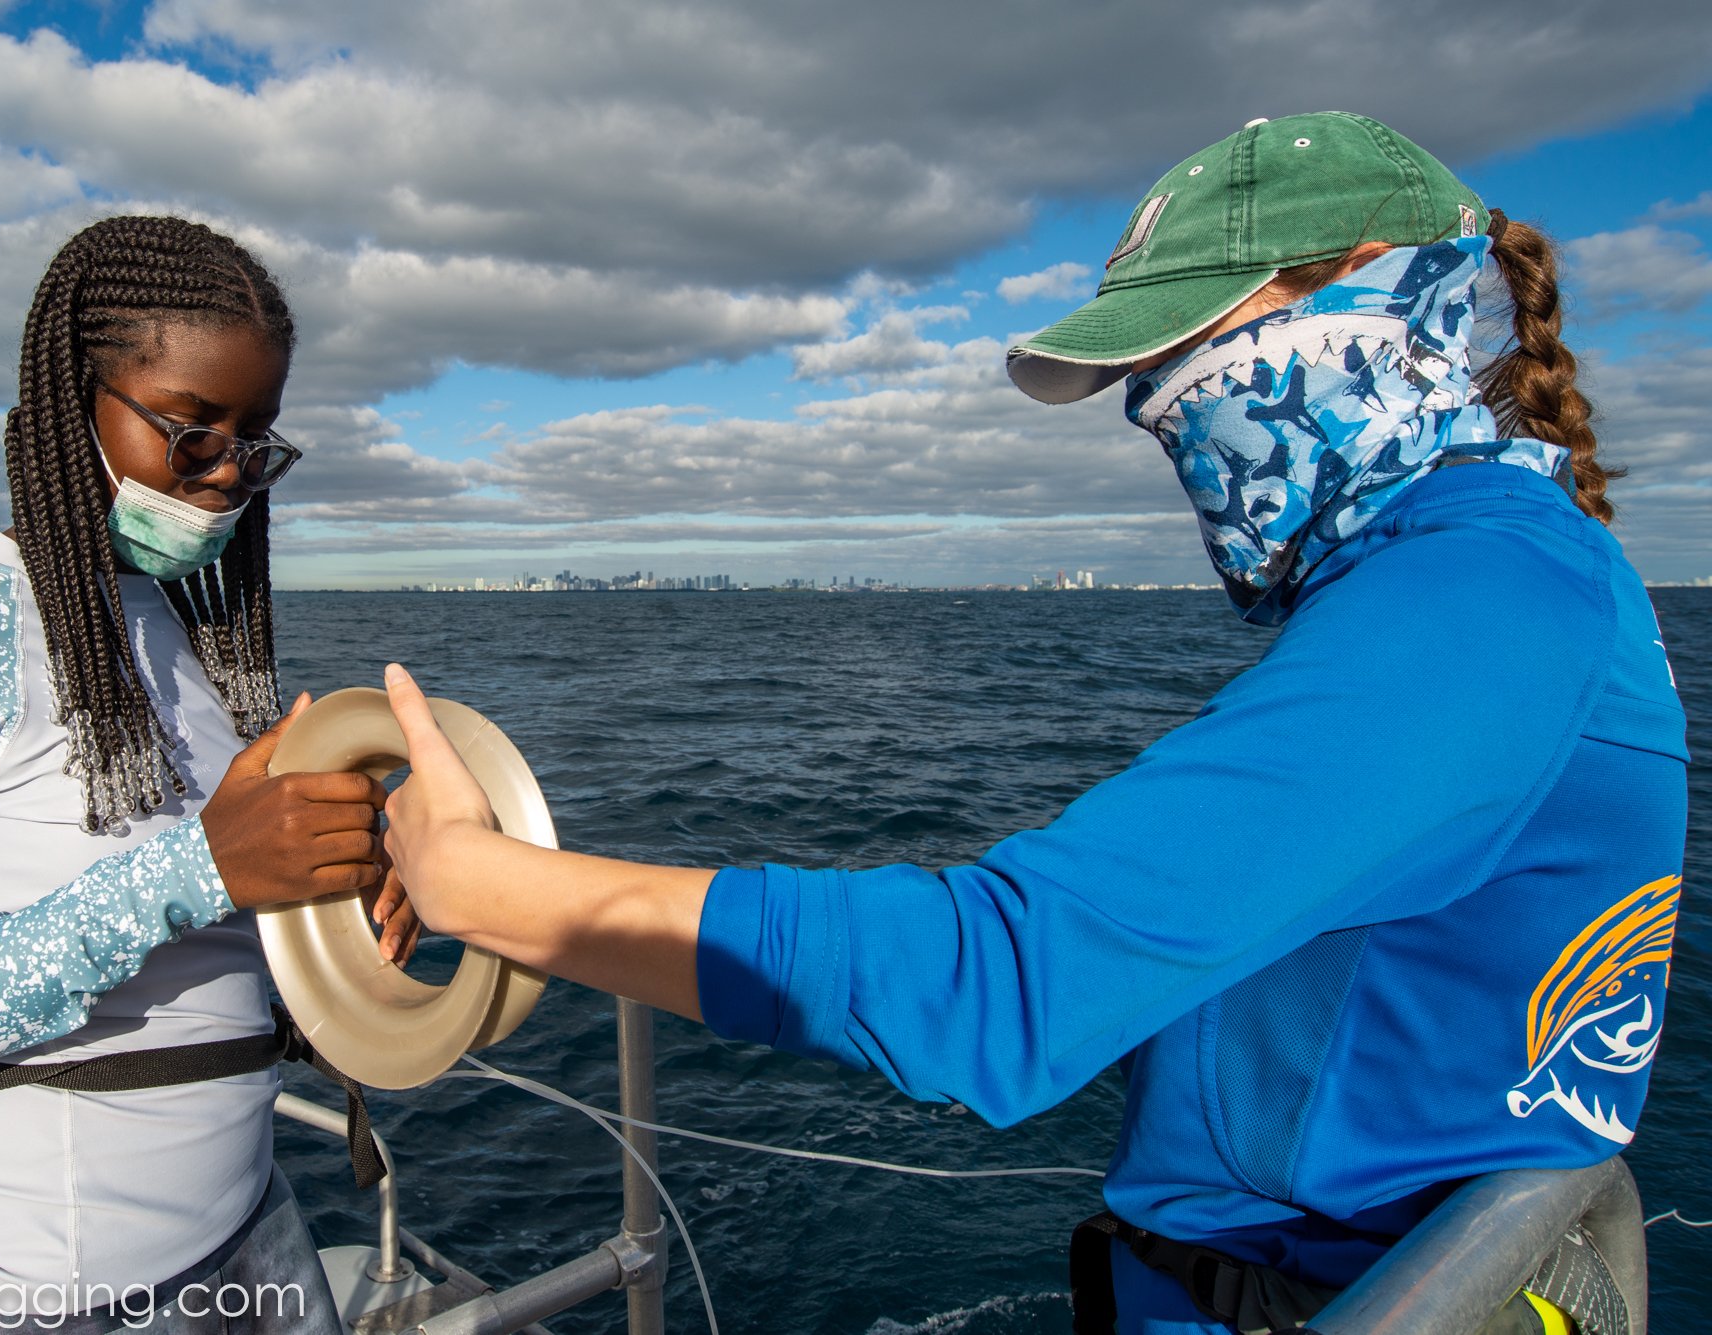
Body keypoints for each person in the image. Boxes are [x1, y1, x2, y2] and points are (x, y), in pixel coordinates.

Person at [372, 113, 1687, 1334]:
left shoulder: (1484, 600)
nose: (1160, 402)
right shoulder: (1516, 576)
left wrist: (488, 885)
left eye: (1189, 348)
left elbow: (1003, 983)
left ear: (1370, 284)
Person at [0, 216, 387, 1332]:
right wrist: (198, 870)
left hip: (247, 1241)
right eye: (191, 431)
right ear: (71, 401)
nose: (226, 478)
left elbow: (214, 950)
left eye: (256, 439)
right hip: (25, 1296)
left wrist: (339, 912)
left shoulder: (183, 639)